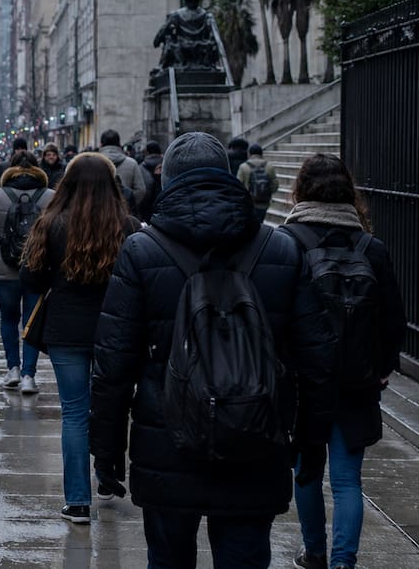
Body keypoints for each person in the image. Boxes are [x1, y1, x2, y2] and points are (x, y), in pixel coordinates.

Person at [90, 132, 337, 567]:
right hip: (256, 438)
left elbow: (113, 362)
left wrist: (107, 447)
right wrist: (311, 442)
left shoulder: (142, 251)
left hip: (167, 437)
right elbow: (317, 360)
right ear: (229, 178)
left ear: (169, 182)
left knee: (168, 559)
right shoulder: (281, 248)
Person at [283, 154, 406, 569]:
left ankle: (314, 551)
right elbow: (393, 318)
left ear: (300, 190)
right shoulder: (371, 248)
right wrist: (382, 368)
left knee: (306, 472)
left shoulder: (289, 242)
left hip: (304, 379)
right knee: (348, 480)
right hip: (357, 379)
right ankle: (343, 562)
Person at [19, 153, 141, 523]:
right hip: (115, 331)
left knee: (74, 412)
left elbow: (31, 280)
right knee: (113, 406)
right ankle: (107, 474)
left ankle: (77, 501)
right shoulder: (127, 225)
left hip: (66, 331)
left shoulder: (52, 223)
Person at [0, 151, 54, 391]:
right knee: (32, 322)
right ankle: (29, 375)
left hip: (5, 271)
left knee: (8, 320)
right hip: (38, 268)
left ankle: (13, 369)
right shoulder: (50, 196)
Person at [99, 129, 147, 210]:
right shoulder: (132, 163)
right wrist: (128, 205)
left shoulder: (94, 163)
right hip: (125, 213)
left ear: (101, 145)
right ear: (119, 144)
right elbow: (141, 190)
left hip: (99, 212)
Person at [237, 143, 279, 224]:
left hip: (249, 203)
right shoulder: (269, 166)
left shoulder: (243, 167)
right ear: (261, 153)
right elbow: (275, 186)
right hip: (264, 203)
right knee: (260, 222)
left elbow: (238, 186)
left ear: (249, 153)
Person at [137, 141, 163, 222]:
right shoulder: (166, 163)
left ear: (147, 152)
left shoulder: (141, 167)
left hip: (147, 211)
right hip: (165, 206)